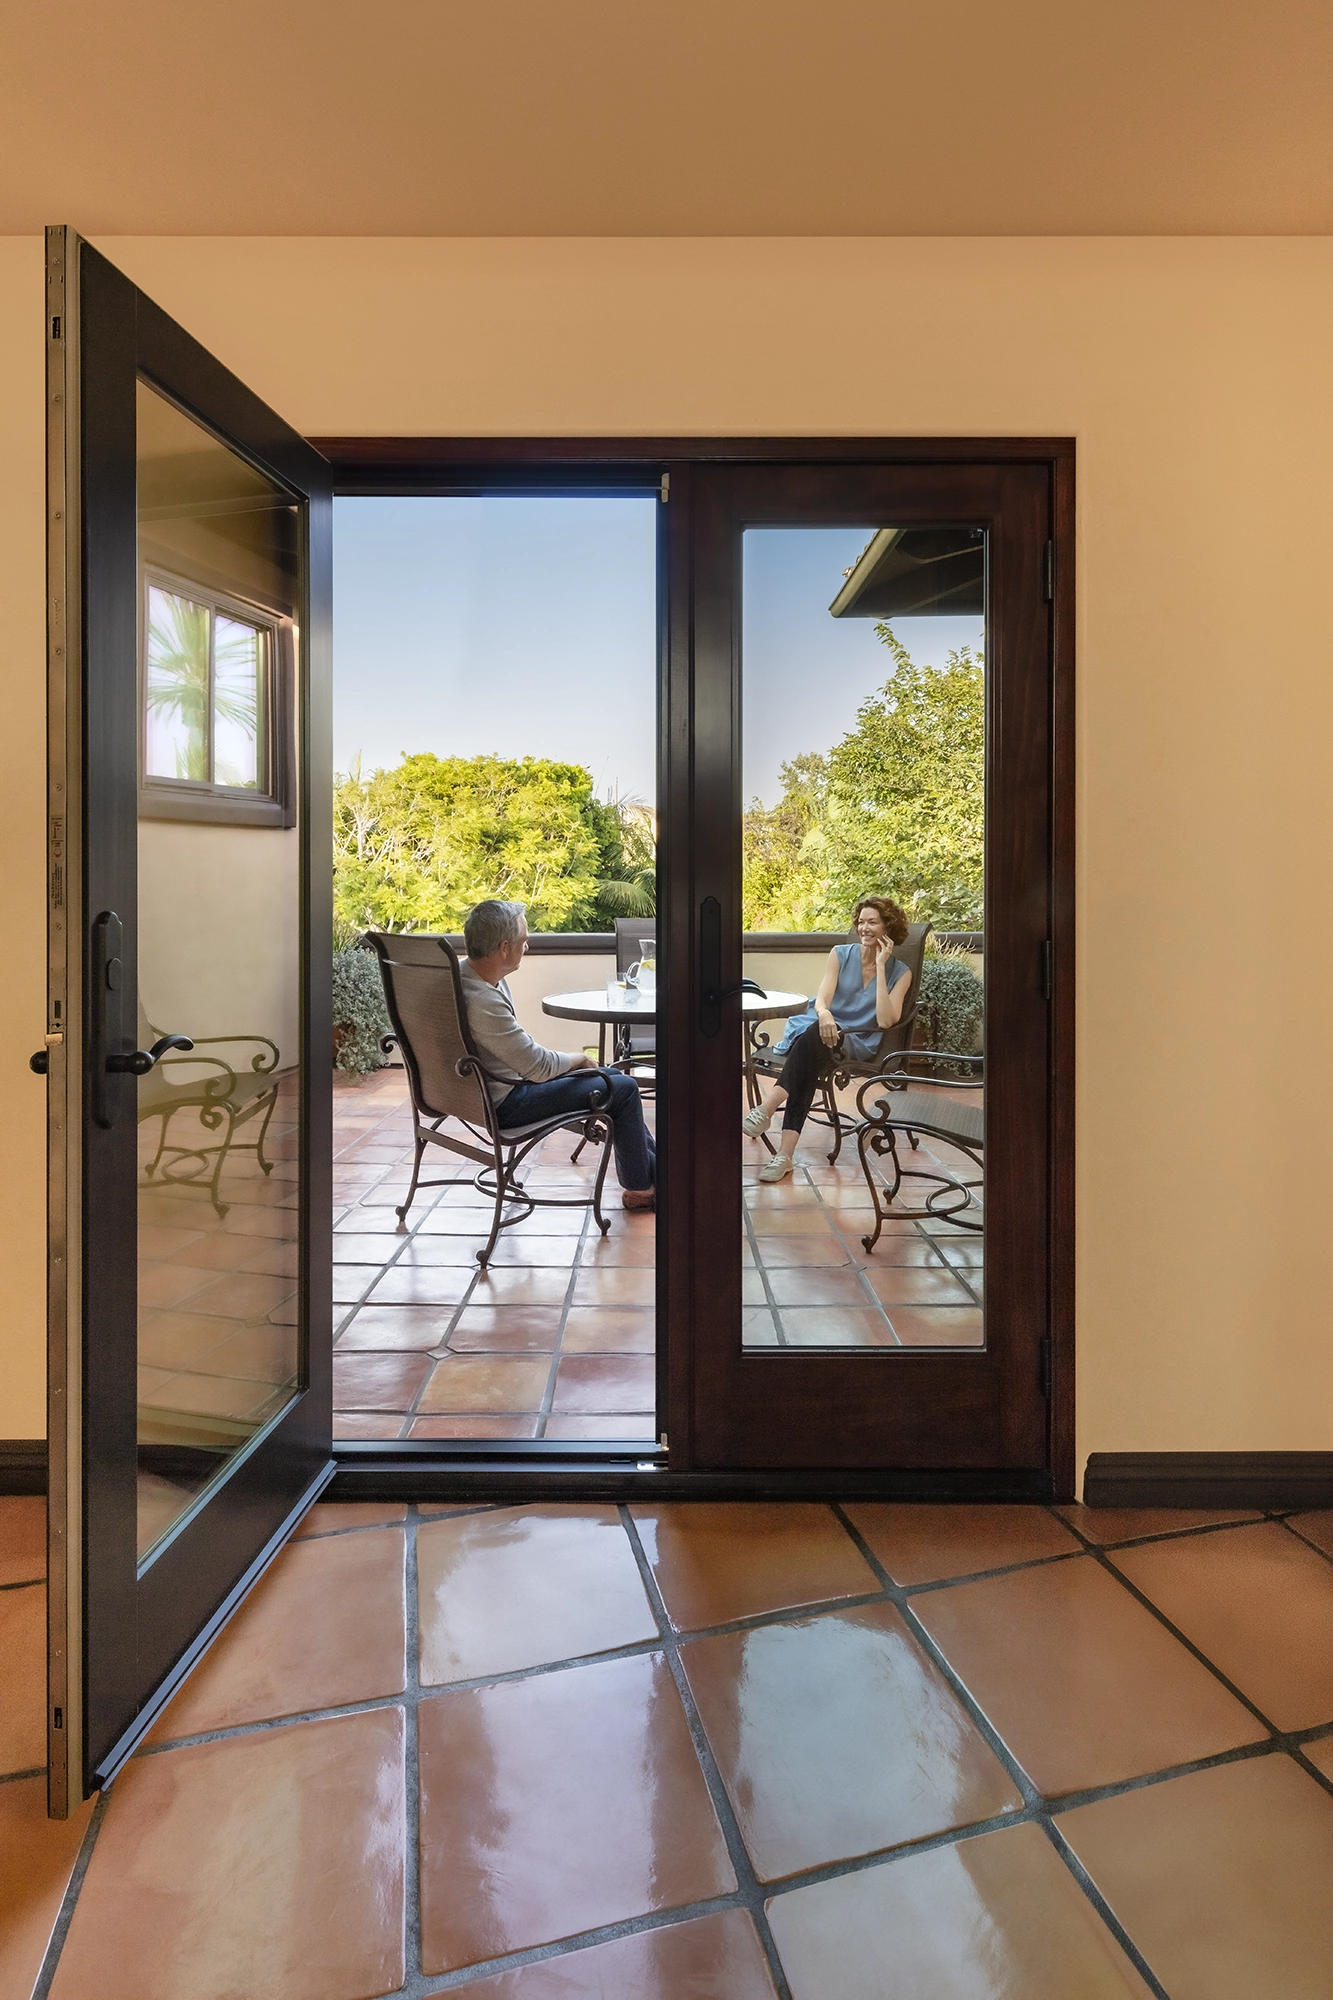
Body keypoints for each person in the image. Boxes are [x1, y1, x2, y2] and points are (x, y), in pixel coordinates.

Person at [459, 898, 656, 1211]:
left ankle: (654, 1172)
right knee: (625, 1087)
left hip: (480, 1093)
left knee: (614, 1077)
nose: (529, 946)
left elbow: (524, 1056)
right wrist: (577, 1059)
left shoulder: (463, 977)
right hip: (508, 1104)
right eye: (524, 940)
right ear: (505, 948)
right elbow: (537, 1066)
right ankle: (643, 1186)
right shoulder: (483, 1000)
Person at [742, 895, 912, 1183]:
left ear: (888, 928)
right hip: (820, 1025)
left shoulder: (900, 973)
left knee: (815, 1045)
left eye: (872, 922)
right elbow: (823, 998)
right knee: (813, 1050)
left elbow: (885, 1020)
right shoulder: (840, 954)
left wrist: (882, 967)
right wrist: (823, 1014)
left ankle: (768, 1108)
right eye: (861, 922)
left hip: (855, 1039)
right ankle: (784, 1156)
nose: (864, 928)